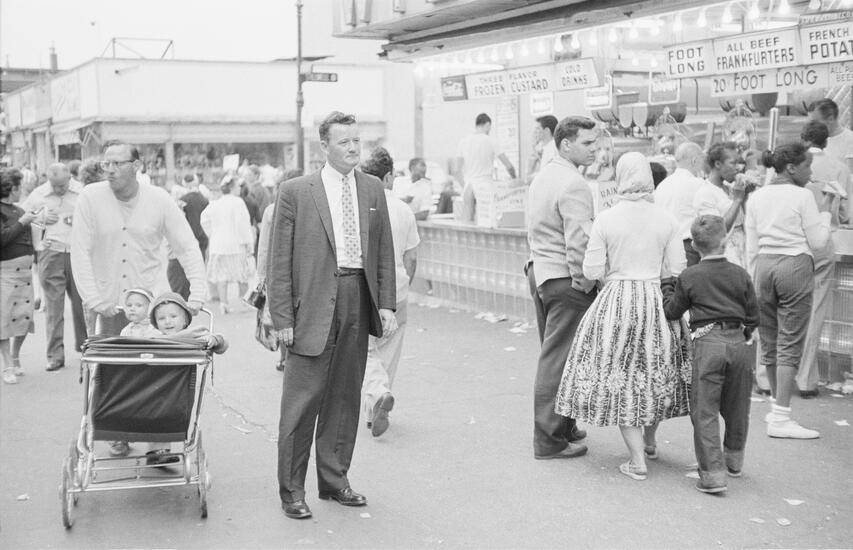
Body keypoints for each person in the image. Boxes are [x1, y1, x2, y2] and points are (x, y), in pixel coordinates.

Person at [266, 111, 397, 520]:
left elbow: (383, 251)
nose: (353, 148)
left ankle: (335, 480)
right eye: (344, 142)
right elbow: (279, 260)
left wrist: (386, 305)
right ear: (324, 146)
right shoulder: (295, 192)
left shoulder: (372, 188)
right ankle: (292, 491)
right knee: (301, 404)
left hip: (357, 296)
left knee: (344, 398)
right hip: (311, 305)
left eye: (357, 141)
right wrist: (282, 319)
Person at [555, 152, 690, 481]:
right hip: (656, 300)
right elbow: (678, 267)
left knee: (622, 378)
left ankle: (637, 459)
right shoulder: (667, 219)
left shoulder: (606, 219)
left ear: (620, 177)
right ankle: (650, 441)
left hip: (616, 302)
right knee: (655, 374)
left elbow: (591, 270)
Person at [662, 215, 759, 494]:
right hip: (738, 343)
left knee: (705, 410)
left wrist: (668, 285)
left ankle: (713, 475)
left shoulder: (690, 276)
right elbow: (753, 316)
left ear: (694, 245)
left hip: (708, 343)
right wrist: (744, 333)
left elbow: (672, 311)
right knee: (738, 406)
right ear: (725, 241)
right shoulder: (740, 274)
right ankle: (734, 461)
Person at [70, 141, 207, 336]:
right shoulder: (90, 198)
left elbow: (186, 247)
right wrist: (93, 299)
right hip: (108, 305)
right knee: (107, 354)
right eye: (106, 164)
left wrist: (198, 292)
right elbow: (80, 251)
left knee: (155, 355)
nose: (110, 170)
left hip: (152, 306)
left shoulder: (159, 199)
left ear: (136, 166)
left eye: (118, 164)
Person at [745, 143, 833, 439]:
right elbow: (818, 242)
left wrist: (753, 278)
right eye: (807, 166)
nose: (810, 172)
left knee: (770, 342)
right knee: (791, 343)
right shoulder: (803, 196)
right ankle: (781, 417)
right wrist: (827, 210)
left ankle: (775, 407)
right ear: (792, 168)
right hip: (794, 265)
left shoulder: (757, 197)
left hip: (764, 267)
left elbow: (751, 245)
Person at [525, 116, 599, 460]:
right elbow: (579, 241)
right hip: (565, 279)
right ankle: (549, 440)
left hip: (541, 272)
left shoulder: (543, 177)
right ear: (566, 144)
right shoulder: (574, 183)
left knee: (561, 357)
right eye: (587, 143)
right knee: (558, 361)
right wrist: (585, 282)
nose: (594, 150)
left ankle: (565, 426)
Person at [359, 147, 420, 438]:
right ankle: (377, 403)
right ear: (387, 177)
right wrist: (405, 282)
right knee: (389, 350)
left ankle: (377, 394)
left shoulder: (360, 206)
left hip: (365, 290)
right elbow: (412, 257)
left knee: (364, 349)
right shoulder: (403, 209)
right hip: (397, 290)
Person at [797, 121, 850, 396]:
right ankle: (806, 379)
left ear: (803, 139)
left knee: (788, 310)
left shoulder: (794, 166)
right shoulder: (840, 168)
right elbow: (845, 214)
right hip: (824, 243)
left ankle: (773, 376)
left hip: (795, 245)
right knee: (816, 313)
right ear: (826, 141)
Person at [21, 162, 87, 371]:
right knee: (53, 307)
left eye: (62, 185)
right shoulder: (38, 194)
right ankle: (55, 355)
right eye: (55, 185)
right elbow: (22, 219)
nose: (59, 189)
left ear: (69, 178)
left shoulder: (82, 192)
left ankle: (86, 347)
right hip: (52, 252)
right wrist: (39, 219)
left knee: (83, 304)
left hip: (78, 252)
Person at [257, 168, 303, 372]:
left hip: (279, 271)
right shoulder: (308, 207)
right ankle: (291, 357)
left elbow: (264, 246)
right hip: (297, 270)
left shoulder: (272, 209)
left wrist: (262, 274)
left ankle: (285, 358)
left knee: (284, 313)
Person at [1, 168, 38, 384]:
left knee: (25, 316)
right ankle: (8, 365)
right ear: (11, 188)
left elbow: (27, 238)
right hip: (5, 272)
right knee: (4, 320)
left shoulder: (19, 209)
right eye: (18, 187)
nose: (20, 190)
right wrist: (23, 222)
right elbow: (3, 239)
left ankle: (15, 357)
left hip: (25, 272)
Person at [200, 174, 254, 314]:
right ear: (232, 188)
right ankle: (244, 301)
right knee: (242, 274)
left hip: (218, 244)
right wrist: (248, 242)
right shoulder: (238, 202)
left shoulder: (215, 203)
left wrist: (212, 233)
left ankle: (224, 303)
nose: (239, 189)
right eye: (237, 186)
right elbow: (243, 224)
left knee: (221, 275)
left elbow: (204, 219)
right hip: (236, 244)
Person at [694, 142, 749, 268]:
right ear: (718, 164)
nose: (738, 168)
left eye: (739, 163)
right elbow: (717, 231)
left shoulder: (730, 188)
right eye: (733, 163)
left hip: (743, 252)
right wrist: (737, 200)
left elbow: (744, 223)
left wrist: (744, 197)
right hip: (724, 258)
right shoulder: (705, 193)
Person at [455, 113, 517, 222]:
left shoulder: (463, 142)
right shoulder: (491, 141)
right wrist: (515, 179)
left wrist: (465, 185)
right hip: (485, 187)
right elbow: (509, 166)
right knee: (486, 222)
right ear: (488, 125)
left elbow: (456, 171)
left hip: (468, 186)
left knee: (468, 222)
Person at [655, 142, 707, 266]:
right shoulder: (698, 185)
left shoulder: (662, 186)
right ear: (694, 160)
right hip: (689, 249)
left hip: (664, 249)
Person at [168, 174, 210, 300]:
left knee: (185, 270)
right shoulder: (204, 199)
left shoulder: (182, 201)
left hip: (187, 238)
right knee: (198, 267)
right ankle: (198, 292)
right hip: (202, 236)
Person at [808, 98, 853, 168]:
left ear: (830, 119)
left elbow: (850, 173)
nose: (811, 126)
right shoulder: (812, 139)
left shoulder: (850, 140)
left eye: (814, 122)